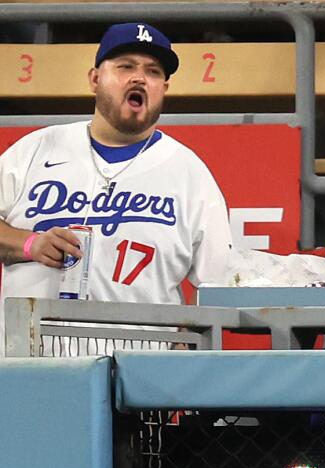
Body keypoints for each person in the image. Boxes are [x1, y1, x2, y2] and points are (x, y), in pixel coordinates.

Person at [0, 23, 232, 349]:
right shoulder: (34, 150)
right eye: (125, 66)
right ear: (95, 79)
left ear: (164, 87)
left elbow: (218, 282)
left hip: (142, 377)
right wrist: (28, 243)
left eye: (153, 72)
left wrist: (189, 336)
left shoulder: (189, 174)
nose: (139, 78)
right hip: (32, 365)